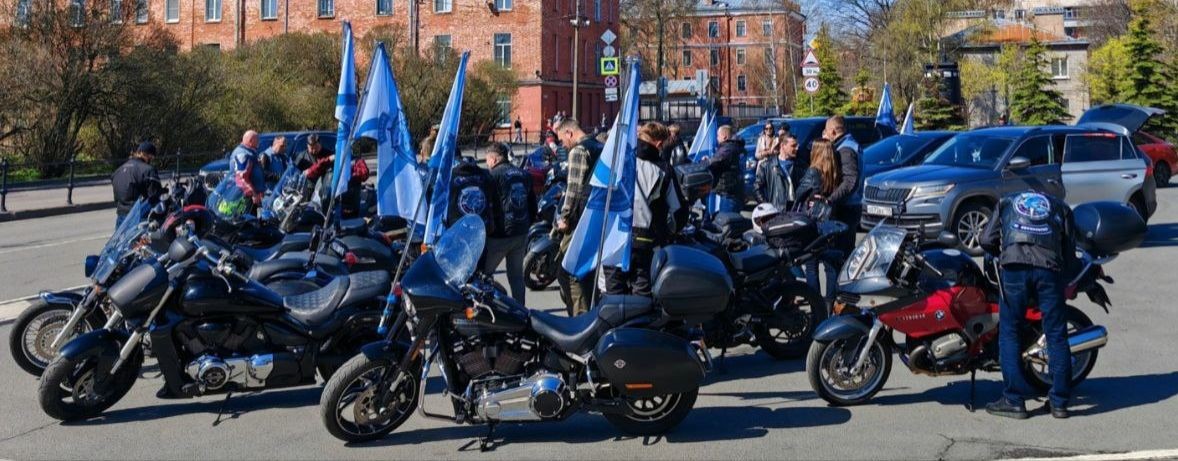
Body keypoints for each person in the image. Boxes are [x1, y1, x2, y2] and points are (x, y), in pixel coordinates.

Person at [980, 190, 1078, 420]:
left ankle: (1014, 400)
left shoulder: (1006, 201)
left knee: (1010, 332)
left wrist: (1001, 254)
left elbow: (985, 240)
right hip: (1049, 269)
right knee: (1056, 335)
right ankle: (1059, 403)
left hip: (1014, 267)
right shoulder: (1060, 206)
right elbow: (1069, 250)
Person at [604, 122, 681, 296]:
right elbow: (677, 210)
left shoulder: (615, 162)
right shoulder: (664, 169)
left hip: (613, 239)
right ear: (659, 144)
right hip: (645, 241)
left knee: (613, 294)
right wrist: (669, 233)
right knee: (642, 294)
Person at [555, 119, 604, 315]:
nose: (563, 145)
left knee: (568, 271)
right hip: (596, 214)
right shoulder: (599, 146)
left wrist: (565, 217)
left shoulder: (578, 151)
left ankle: (580, 318)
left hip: (580, 219)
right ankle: (592, 312)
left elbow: (574, 189)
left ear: (569, 133)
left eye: (562, 140)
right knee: (588, 272)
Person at [483, 143, 536, 304]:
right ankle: (521, 311)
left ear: (494, 159)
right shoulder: (524, 174)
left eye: (487, 160)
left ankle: (489, 308)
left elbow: (487, 205)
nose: (486, 163)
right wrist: (526, 225)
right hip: (520, 232)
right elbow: (532, 205)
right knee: (516, 276)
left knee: (483, 274)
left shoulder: (492, 176)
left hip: (499, 234)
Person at [794, 139, 841, 301]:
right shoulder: (835, 171)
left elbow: (799, 193)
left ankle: (816, 304)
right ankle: (830, 303)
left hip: (813, 222)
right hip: (829, 220)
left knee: (811, 266)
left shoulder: (813, 171)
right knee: (830, 266)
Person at [823, 115, 861, 258]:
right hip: (851, 205)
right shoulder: (850, 143)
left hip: (846, 208)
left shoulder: (845, 149)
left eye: (826, 131)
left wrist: (830, 199)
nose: (825, 134)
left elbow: (850, 181)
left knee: (841, 254)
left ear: (833, 131)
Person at [304, 145, 370, 218]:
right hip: (328, 201)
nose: (342, 152)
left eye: (344, 149)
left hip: (348, 202)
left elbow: (365, 173)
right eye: (340, 150)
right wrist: (307, 172)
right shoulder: (331, 160)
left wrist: (349, 177)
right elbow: (314, 170)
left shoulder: (356, 161)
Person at [111, 142, 162, 227]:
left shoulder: (118, 170)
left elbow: (116, 197)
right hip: (137, 215)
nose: (151, 159)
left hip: (121, 214)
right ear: (145, 154)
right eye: (151, 157)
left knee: (121, 236)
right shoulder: (148, 170)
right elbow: (154, 195)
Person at [707, 125, 745, 215]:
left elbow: (715, 161)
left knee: (726, 220)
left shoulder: (729, 148)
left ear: (724, 136)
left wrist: (704, 162)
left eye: (718, 135)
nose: (717, 138)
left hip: (729, 193)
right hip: (732, 191)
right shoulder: (734, 146)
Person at [754, 134, 800, 210]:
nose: (797, 148)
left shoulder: (801, 166)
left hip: (795, 211)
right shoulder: (766, 166)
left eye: (797, 145)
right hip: (776, 211)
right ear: (783, 146)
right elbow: (757, 188)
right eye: (793, 146)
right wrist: (766, 206)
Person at [230, 130, 266, 207]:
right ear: (250, 141)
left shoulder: (248, 152)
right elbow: (242, 178)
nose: (258, 143)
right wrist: (254, 194)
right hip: (246, 199)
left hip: (253, 197)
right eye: (257, 141)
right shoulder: (242, 154)